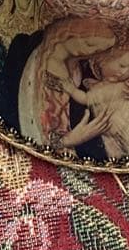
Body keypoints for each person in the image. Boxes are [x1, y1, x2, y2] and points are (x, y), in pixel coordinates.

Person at [46, 38, 129, 158]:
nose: (124, 73)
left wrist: (68, 87)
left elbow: (85, 98)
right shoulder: (93, 83)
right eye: (122, 65)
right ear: (103, 59)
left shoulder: (118, 87)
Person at [17, 17, 118, 151]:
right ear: (70, 33)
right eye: (89, 44)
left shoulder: (77, 70)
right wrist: (71, 139)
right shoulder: (32, 52)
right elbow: (40, 130)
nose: (90, 52)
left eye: (97, 51)